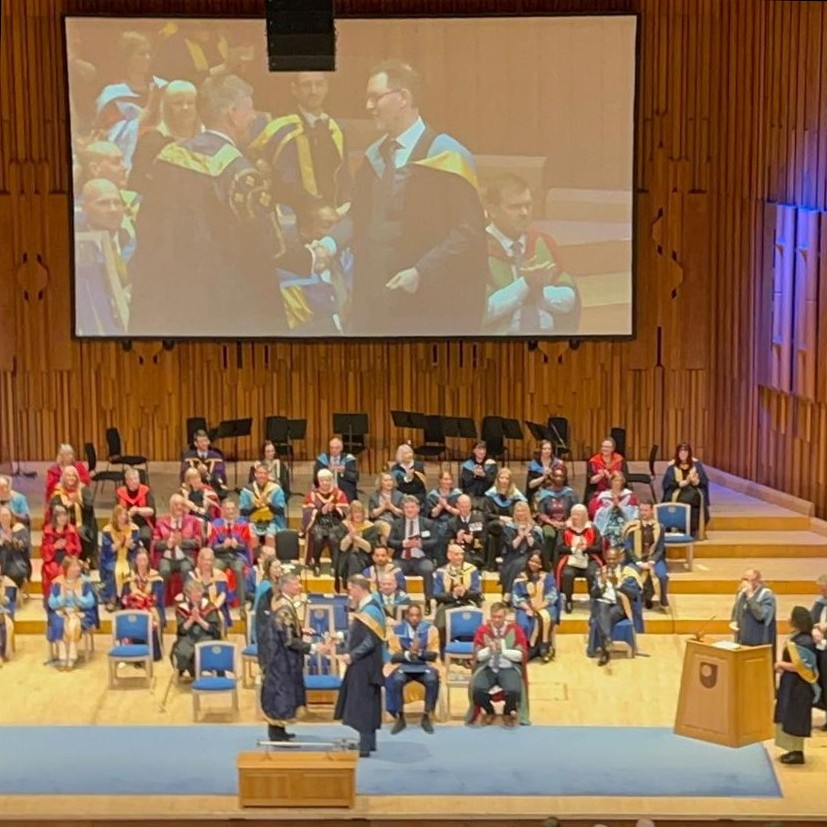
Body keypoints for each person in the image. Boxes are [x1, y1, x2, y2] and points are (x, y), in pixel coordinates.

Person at [128, 74, 312, 336]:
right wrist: (313, 256)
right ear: (233, 114)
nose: (254, 117)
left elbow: (147, 227)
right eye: (250, 109)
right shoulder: (237, 172)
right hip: (222, 309)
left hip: (166, 301)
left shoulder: (167, 158)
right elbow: (269, 244)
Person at [315, 60, 487, 336]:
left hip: (429, 302)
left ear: (403, 98)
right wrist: (328, 245)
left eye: (376, 97)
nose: (368, 106)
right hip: (376, 299)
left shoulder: (447, 155)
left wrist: (421, 271)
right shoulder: (374, 157)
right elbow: (358, 215)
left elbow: (468, 231)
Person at [482, 174, 579, 335]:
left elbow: (570, 300)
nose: (524, 212)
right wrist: (525, 284)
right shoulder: (477, 251)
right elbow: (480, 311)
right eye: (514, 207)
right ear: (492, 210)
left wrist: (540, 292)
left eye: (528, 205)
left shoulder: (543, 243)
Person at [249, 71, 352, 212]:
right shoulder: (279, 129)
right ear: (295, 89)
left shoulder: (336, 129)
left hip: (332, 212)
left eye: (319, 84)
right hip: (291, 214)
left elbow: (344, 175)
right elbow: (278, 176)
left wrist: (346, 204)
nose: (314, 91)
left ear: (326, 87)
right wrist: (258, 162)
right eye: (307, 85)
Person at [257, 572, 330, 741]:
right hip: (280, 659)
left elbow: (284, 629)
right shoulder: (284, 608)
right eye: (296, 583)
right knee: (280, 693)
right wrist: (314, 648)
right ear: (287, 586)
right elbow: (288, 640)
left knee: (282, 693)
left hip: (280, 656)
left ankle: (280, 730)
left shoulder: (282, 602)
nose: (299, 586)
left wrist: (300, 630)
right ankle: (276, 733)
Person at [94, 31, 165, 169]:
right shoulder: (113, 94)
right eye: (141, 54)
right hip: (137, 154)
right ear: (127, 58)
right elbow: (116, 135)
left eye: (149, 53)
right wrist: (150, 108)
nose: (148, 58)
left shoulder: (161, 86)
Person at [334, 575, 386, 757]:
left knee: (364, 703)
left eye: (350, 589)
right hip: (365, 663)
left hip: (366, 664)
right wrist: (340, 636)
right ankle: (368, 743)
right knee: (367, 702)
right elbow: (359, 631)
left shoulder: (370, 610)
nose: (350, 594)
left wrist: (352, 655)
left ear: (358, 588)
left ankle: (364, 747)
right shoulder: (368, 606)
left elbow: (371, 640)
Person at [128, 80, 200, 194]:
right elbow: (138, 183)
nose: (185, 107)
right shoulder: (151, 141)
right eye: (178, 103)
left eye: (190, 103)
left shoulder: (209, 138)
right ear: (166, 107)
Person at [466, 601, 529, 727]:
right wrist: (489, 650)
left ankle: (507, 712)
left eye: (499, 617)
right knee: (476, 689)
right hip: (488, 667)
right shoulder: (483, 630)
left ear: (505, 616)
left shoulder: (515, 630)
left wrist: (503, 651)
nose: (496, 620)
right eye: (494, 617)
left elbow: (520, 655)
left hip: (508, 667)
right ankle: (489, 711)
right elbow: (478, 656)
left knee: (514, 690)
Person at [773, 606, 821, 765]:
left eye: (790, 616)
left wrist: (781, 664)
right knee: (788, 715)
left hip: (800, 687)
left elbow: (802, 667)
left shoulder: (804, 642)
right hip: (791, 684)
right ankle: (791, 750)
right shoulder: (797, 637)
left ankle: (797, 753)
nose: (788, 619)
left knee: (795, 717)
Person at [385, 603, 441, 734]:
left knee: (432, 680)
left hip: (425, 665)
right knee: (397, 680)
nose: (414, 618)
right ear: (406, 616)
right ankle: (400, 717)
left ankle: (426, 716)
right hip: (403, 665)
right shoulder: (397, 631)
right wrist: (408, 654)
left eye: (417, 615)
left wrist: (419, 653)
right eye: (411, 615)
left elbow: (433, 654)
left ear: (421, 617)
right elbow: (394, 656)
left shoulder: (431, 630)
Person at [590, 548, 642, 666]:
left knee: (603, 617)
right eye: (608, 559)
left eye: (613, 559)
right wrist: (601, 584)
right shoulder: (600, 572)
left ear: (619, 559)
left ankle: (605, 651)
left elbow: (633, 594)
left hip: (620, 606)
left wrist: (617, 584)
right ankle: (608, 641)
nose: (611, 561)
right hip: (603, 604)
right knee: (602, 606)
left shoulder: (627, 572)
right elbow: (593, 594)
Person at [387, 495, 438, 614]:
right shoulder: (396, 523)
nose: (409, 510)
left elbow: (435, 541)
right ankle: (402, 601)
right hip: (402, 559)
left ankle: (428, 600)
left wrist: (421, 544)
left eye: (412, 507)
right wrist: (402, 544)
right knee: (394, 570)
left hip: (421, 558)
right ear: (403, 509)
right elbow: (390, 541)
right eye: (407, 507)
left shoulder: (428, 523)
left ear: (418, 508)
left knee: (428, 569)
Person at [46, 556, 97, 671]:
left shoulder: (84, 582)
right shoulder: (57, 583)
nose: (77, 568)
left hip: (79, 612)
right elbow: (51, 603)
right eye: (73, 566)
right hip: (61, 611)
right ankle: (63, 656)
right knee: (60, 624)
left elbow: (90, 602)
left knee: (73, 625)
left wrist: (77, 598)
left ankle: (72, 656)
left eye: (77, 566)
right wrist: (62, 597)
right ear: (66, 568)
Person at [301, 468, 348, 581]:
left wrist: (334, 509)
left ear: (331, 480)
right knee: (318, 536)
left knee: (333, 537)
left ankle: (334, 564)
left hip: (334, 523)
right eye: (322, 481)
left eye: (327, 480)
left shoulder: (339, 494)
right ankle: (315, 562)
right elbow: (307, 512)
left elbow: (345, 511)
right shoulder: (312, 495)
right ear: (318, 481)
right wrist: (320, 511)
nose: (325, 483)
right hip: (318, 523)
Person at [555, 504, 603, 613]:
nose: (575, 517)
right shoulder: (565, 529)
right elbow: (560, 547)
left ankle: (593, 601)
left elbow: (599, 547)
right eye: (573, 514)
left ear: (584, 516)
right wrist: (573, 548)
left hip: (589, 558)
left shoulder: (592, 528)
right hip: (571, 559)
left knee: (592, 573)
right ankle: (568, 601)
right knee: (567, 574)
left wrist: (586, 548)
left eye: (578, 515)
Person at [170, 578, 221, 679]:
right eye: (195, 592)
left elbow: (214, 630)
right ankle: (190, 671)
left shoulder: (209, 606)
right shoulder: (182, 608)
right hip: (188, 637)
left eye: (199, 591)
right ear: (188, 594)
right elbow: (181, 630)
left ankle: (204, 671)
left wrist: (199, 620)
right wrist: (192, 619)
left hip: (206, 636)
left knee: (202, 649)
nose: (198, 594)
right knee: (181, 650)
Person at [512, 552, 559, 663]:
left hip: (544, 605)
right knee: (524, 623)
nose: (533, 564)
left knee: (549, 616)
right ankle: (528, 649)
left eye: (537, 562)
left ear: (541, 564)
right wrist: (527, 608)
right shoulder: (521, 577)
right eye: (531, 561)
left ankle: (544, 646)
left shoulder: (547, 577)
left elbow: (552, 595)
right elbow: (516, 596)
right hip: (525, 607)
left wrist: (540, 606)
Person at [208, 498, 253, 612]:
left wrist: (236, 545)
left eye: (233, 509)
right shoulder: (215, 525)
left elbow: (245, 546)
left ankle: (242, 605)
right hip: (220, 556)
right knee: (214, 570)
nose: (231, 511)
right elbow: (212, 547)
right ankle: (214, 603)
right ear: (222, 510)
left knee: (238, 569)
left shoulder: (243, 525)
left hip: (237, 556)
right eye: (228, 509)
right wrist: (223, 546)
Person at [623, 500, 669, 609]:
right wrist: (638, 562)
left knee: (662, 576)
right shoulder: (631, 526)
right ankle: (635, 600)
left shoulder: (660, 527)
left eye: (646, 510)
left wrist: (652, 561)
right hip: (636, 559)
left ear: (652, 510)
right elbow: (628, 548)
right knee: (630, 576)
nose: (643, 513)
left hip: (654, 559)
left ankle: (662, 600)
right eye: (641, 510)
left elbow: (660, 548)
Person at [433, 544, 482, 645]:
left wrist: (465, 592)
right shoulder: (441, 571)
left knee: (473, 625)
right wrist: (453, 594)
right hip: (447, 604)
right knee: (441, 626)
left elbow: (477, 592)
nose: (460, 557)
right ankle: (443, 650)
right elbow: (437, 594)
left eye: (461, 554)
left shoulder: (472, 570)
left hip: (468, 602)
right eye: (456, 554)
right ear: (449, 555)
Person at [120, 549, 165, 660]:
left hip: (151, 607)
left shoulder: (156, 578)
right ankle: (131, 653)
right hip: (133, 607)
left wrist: (141, 598)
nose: (142, 563)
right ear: (135, 561)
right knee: (129, 618)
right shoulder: (129, 577)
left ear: (148, 561)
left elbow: (157, 597)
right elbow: (124, 597)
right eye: (139, 560)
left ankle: (152, 654)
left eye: (144, 560)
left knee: (152, 619)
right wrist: (133, 599)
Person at [48, 466, 97, 566]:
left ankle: (83, 561)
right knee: (68, 533)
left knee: (81, 532)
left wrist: (78, 500)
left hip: (82, 525)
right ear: (63, 478)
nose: (71, 478)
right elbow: (55, 511)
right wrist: (69, 502)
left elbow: (89, 508)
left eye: (73, 475)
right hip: (63, 527)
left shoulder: (83, 490)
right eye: (68, 475)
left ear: (77, 477)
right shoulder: (58, 491)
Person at [151, 494, 203, 587]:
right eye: (176, 504)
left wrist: (182, 542)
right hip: (166, 557)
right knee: (164, 571)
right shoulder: (161, 522)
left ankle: (188, 595)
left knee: (187, 570)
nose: (179, 507)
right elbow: (155, 543)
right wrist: (167, 544)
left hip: (186, 557)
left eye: (182, 504)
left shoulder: (192, 521)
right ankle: (161, 596)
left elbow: (198, 542)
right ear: (170, 506)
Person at [99, 504, 142, 611]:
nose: (123, 517)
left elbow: (136, 547)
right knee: (113, 570)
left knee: (130, 570)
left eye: (125, 514)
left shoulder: (134, 529)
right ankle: (112, 599)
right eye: (120, 515)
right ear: (115, 516)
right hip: (112, 558)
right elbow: (108, 549)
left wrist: (129, 545)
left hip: (129, 557)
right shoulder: (107, 530)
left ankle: (127, 599)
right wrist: (120, 543)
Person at [483, 468, 527, 572]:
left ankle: (493, 564)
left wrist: (513, 520)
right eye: (501, 478)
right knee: (502, 526)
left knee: (497, 535)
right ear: (497, 479)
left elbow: (520, 511)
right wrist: (501, 518)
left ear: (510, 480)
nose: (503, 480)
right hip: (493, 523)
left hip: (512, 524)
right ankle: (503, 557)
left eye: (506, 478)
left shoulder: (516, 495)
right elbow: (487, 514)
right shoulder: (491, 495)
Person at [662, 442, 710, 538]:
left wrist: (697, 481)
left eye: (685, 452)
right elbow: (667, 483)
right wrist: (681, 483)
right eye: (681, 452)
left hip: (693, 490)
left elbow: (704, 481)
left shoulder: (696, 465)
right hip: (677, 490)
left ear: (689, 453)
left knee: (694, 498)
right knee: (682, 499)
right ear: (677, 453)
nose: (683, 454)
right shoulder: (672, 466)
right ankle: (678, 528)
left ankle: (692, 529)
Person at [534, 466, 578, 569]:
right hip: (548, 523)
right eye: (556, 476)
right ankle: (546, 564)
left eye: (561, 476)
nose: (558, 478)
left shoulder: (570, 493)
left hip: (567, 523)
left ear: (564, 478)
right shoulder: (544, 493)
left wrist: (567, 522)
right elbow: (541, 513)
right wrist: (553, 523)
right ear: (552, 477)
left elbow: (575, 511)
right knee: (549, 534)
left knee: (563, 536)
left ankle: (560, 564)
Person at [500, 501, 543, 600]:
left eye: (523, 511)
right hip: (512, 554)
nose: (520, 513)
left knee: (519, 563)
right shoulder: (509, 527)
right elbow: (511, 546)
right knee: (513, 564)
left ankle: (508, 592)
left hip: (529, 555)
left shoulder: (535, 528)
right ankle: (510, 593)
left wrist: (528, 535)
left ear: (527, 512)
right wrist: (520, 536)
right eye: (518, 511)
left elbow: (536, 547)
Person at [240, 462, 287, 549]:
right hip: (252, 521)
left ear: (268, 475)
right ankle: (254, 557)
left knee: (270, 537)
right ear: (255, 474)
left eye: (265, 473)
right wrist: (257, 505)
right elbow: (243, 511)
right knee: (253, 537)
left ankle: (270, 556)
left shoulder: (276, 489)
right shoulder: (247, 490)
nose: (262, 476)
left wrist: (268, 503)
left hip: (272, 521)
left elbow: (280, 510)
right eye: (260, 473)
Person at [41, 506, 81, 597]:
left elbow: (78, 548)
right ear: (55, 518)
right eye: (59, 516)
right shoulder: (47, 531)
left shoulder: (72, 530)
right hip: (52, 559)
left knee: (68, 569)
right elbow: (43, 551)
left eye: (65, 515)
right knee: (52, 571)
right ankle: (52, 597)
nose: (63, 518)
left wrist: (66, 546)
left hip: (68, 558)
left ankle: (69, 596)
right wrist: (54, 547)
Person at [730, 569, 777, 648]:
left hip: (759, 640)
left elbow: (761, 616)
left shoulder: (766, 595)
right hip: (742, 638)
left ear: (757, 581)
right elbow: (736, 610)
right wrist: (734, 621)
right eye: (743, 579)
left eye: (747, 580)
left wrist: (750, 596)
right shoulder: (741, 593)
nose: (744, 583)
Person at [592, 472, 639, 550]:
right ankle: (610, 552)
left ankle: (624, 552)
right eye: (616, 480)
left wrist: (620, 506)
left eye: (620, 480)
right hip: (608, 520)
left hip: (625, 519)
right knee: (611, 530)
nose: (617, 483)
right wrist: (612, 506)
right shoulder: (604, 495)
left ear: (623, 482)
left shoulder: (628, 495)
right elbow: (598, 513)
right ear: (611, 481)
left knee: (624, 530)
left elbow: (634, 512)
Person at [426, 470, 462, 566]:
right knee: (439, 532)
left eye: (450, 479)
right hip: (437, 522)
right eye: (445, 479)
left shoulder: (457, 494)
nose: (448, 482)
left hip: (455, 521)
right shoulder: (433, 495)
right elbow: (433, 514)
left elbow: (460, 513)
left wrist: (446, 506)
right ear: (440, 480)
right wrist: (440, 505)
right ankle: (441, 562)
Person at [180, 430, 228, 499]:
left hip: (212, 487)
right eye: (202, 442)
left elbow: (219, 474)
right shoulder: (188, 457)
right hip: (193, 488)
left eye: (206, 441)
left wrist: (206, 474)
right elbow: (185, 474)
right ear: (195, 444)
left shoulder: (216, 457)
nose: (205, 443)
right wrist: (196, 471)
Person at [115, 467, 156, 549]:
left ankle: (148, 555)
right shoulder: (120, 492)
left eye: (136, 479)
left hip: (144, 523)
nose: (133, 481)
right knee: (126, 538)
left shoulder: (146, 491)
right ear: (126, 481)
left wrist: (137, 510)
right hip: (126, 523)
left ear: (139, 479)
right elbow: (117, 513)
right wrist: (129, 514)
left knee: (145, 537)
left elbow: (151, 511)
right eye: (130, 479)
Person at [584, 438, 628, 512]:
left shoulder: (619, 460)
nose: (605, 449)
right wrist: (600, 476)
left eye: (607, 447)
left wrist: (610, 476)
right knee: (594, 506)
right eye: (603, 446)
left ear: (613, 449)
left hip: (617, 491)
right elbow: (590, 481)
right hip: (598, 490)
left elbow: (624, 479)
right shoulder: (594, 461)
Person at [339, 500, 379, 581]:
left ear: (363, 514)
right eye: (355, 512)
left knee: (354, 559)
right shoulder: (344, 525)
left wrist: (356, 537)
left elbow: (369, 549)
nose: (358, 514)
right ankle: (356, 582)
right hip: (346, 556)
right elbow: (342, 548)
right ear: (351, 514)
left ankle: (353, 583)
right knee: (352, 558)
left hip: (364, 557)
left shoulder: (371, 527)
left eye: (360, 512)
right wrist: (350, 536)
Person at [447, 494, 487, 570]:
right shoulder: (452, 523)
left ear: (471, 506)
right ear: (457, 506)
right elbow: (449, 543)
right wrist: (457, 541)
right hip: (457, 553)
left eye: (467, 507)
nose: (465, 509)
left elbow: (484, 541)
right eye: (462, 507)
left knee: (468, 561)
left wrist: (472, 540)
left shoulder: (479, 520)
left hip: (475, 553)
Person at [313, 438, 358, 502]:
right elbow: (316, 478)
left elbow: (354, 477)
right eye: (331, 448)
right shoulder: (322, 459)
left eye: (336, 448)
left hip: (345, 491)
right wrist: (326, 471)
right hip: (326, 490)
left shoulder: (348, 459)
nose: (333, 450)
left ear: (341, 448)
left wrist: (344, 471)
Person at [460, 442, 498, 510]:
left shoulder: (491, 464)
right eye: (479, 449)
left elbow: (493, 481)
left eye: (483, 449)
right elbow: (465, 483)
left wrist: (484, 475)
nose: (482, 451)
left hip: (486, 496)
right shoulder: (467, 464)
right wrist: (474, 475)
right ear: (474, 450)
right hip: (471, 495)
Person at [0, 506, 31, 589]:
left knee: (13, 575)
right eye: (2, 516)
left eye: (6, 515)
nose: (4, 518)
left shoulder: (20, 530)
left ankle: (11, 595)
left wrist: (11, 540)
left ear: (11, 516)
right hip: (2, 565)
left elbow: (24, 548)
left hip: (15, 565)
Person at [369, 472, 404, 537]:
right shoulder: (374, 496)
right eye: (386, 480)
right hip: (380, 521)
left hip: (396, 521)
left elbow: (403, 513)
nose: (389, 482)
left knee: (384, 536)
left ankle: (388, 542)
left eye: (391, 480)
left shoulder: (399, 495)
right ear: (380, 482)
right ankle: (391, 540)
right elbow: (372, 515)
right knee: (384, 526)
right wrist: (383, 507)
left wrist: (392, 508)